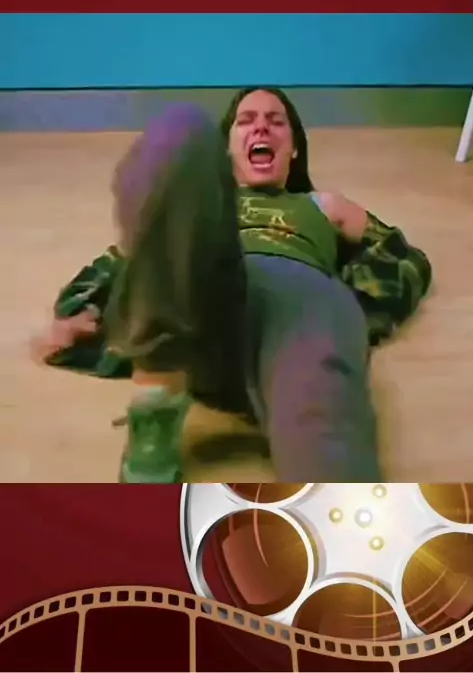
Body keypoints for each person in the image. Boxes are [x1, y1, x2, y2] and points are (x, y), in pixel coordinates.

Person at [32, 89, 432, 483]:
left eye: (276, 121)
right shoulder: (198, 208)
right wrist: (85, 316)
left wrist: (354, 312)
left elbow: (402, 258)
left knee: (322, 435)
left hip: (299, 309)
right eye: (246, 121)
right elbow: (125, 261)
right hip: (204, 315)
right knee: (183, 128)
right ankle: (157, 405)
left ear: (294, 149)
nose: (261, 128)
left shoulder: (322, 204)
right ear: (226, 150)